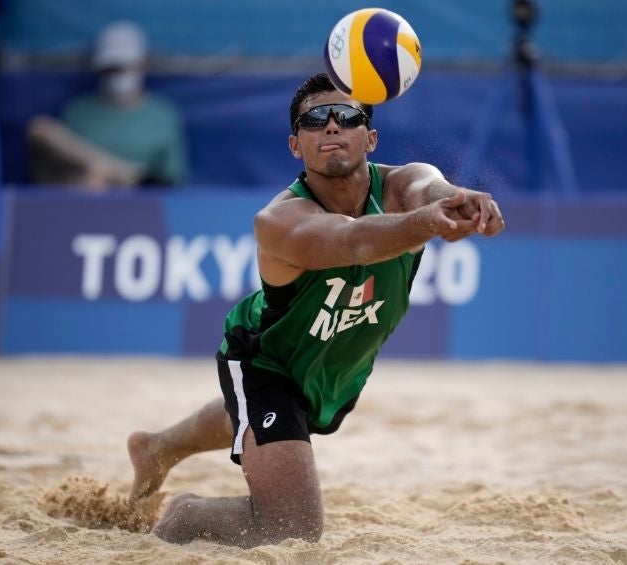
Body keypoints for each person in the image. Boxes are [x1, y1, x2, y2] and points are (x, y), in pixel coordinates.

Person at [126, 73, 505, 547]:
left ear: (369, 137)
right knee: (292, 530)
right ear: (295, 145)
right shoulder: (279, 220)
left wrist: (456, 202)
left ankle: (158, 447)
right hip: (266, 360)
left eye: (347, 117)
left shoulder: (405, 183)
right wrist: (428, 221)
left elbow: (432, 190)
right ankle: (185, 514)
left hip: (332, 366)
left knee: (261, 416)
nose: (330, 127)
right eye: (314, 119)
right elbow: (354, 240)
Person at [26, 21, 189, 191]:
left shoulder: (164, 115)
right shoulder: (78, 110)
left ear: (143, 64)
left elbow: (171, 181)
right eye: (111, 68)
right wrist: (101, 172)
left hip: (138, 199)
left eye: (124, 67)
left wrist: (111, 178)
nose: (117, 75)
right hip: (85, 193)